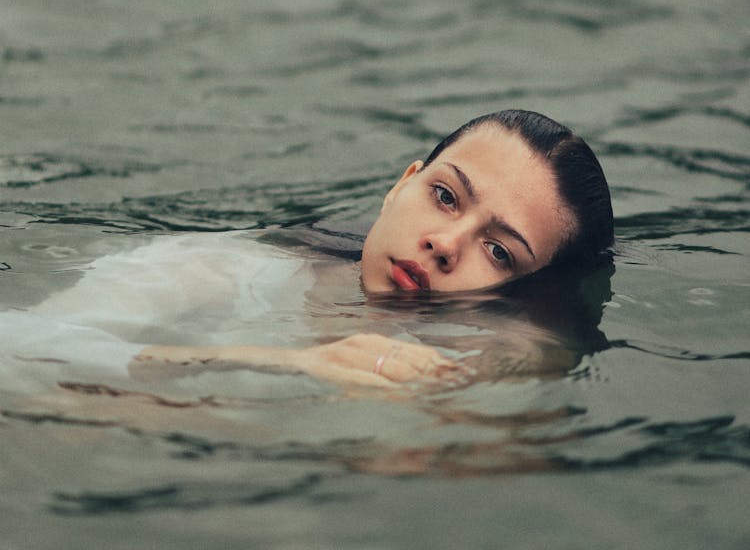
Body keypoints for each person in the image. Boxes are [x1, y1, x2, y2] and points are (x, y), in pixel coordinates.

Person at [3, 110, 613, 393]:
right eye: (445, 196)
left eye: (500, 252)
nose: (445, 243)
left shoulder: (497, 369)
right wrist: (285, 362)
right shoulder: (229, 270)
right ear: (400, 185)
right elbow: (19, 343)